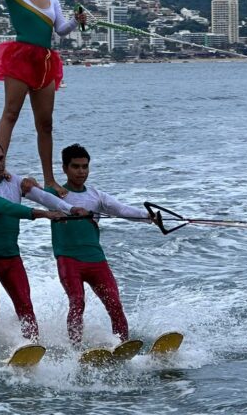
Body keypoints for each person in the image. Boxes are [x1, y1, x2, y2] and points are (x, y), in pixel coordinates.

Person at [0, 0, 86, 198]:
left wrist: (77, 21)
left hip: (45, 62)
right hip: (21, 58)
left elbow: (61, 30)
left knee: (46, 124)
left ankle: (50, 179)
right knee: (11, 114)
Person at [0, 140, 87, 365]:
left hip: (10, 255)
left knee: (25, 304)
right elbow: (7, 208)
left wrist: (70, 208)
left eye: (1, 158)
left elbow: (43, 197)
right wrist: (44, 214)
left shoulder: (13, 181)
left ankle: (31, 348)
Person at [46, 144, 153, 347]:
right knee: (77, 302)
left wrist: (149, 217)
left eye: (85, 166)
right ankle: (75, 350)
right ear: (65, 168)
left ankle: (123, 345)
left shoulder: (96, 195)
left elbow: (121, 210)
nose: (81, 171)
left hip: (96, 259)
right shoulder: (55, 194)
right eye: (75, 166)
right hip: (68, 259)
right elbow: (29, 192)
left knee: (115, 305)